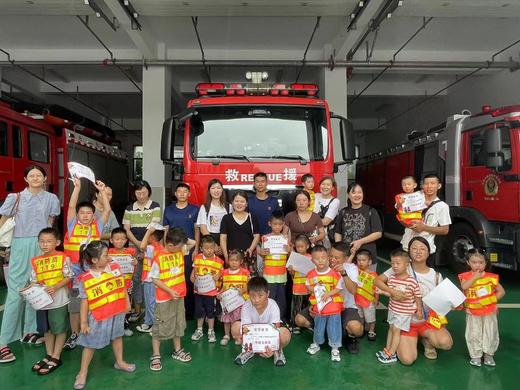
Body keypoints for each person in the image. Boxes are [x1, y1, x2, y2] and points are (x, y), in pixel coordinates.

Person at [0, 165, 60, 363]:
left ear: (45, 178)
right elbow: (4, 218)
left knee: (37, 288)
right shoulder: (15, 197)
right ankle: (4, 342)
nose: (35, 178)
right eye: (31, 175)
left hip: (43, 245)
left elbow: (50, 222)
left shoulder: (51, 199)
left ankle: (30, 330)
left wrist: (48, 245)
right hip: (21, 244)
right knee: (16, 291)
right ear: (26, 179)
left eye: (39, 175)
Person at [375, 237, 453, 365]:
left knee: (446, 343)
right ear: (409, 252)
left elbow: (444, 302)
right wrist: (393, 292)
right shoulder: (400, 267)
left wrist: (452, 305)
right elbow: (377, 280)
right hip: (405, 323)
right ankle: (413, 339)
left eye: (422, 249)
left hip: (427, 321)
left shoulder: (436, 275)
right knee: (407, 360)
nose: (418, 251)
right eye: (414, 248)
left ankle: (426, 339)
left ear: (429, 252)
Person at [73, 241, 135, 390]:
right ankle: (82, 372)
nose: (109, 257)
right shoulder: (86, 278)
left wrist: (127, 303)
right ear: (94, 260)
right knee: (90, 344)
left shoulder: (114, 268)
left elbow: (122, 287)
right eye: (105, 255)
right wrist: (83, 323)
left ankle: (119, 362)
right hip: (98, 316)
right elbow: (84, 302)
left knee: (118, 336)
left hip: (117, 311)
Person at [64, 178, 110, 350]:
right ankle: (75, 334)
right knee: (76, 304)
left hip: (92, 270)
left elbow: (107, 209)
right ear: (77, 215)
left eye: (88, 213)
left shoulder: (97, 226)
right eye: (81, 212)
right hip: (75, 270)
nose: (85, 215)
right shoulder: (71, 225)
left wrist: (103, 191)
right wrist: (77, 188)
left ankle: (93, 330)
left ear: (93, 215)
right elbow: (70, 206)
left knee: (94, 300)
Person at [148, 228, 196, 371]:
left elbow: (192, 243)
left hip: (179, 295)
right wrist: (169, 291)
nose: (182, 248)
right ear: (169, 245)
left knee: (178, 323)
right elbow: (155, 280)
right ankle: (156, 355)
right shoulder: (159, 256)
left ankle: (177, 350)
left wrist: (181, 238)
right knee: (159, 327)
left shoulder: (179, 250)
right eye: (179, 245)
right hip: (164, 298)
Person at [29, 228, 72, 375]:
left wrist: (56, 286)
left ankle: (56, 356)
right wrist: (31, 289)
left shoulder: (63, 257)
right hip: (42, 302)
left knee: (59, 328)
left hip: (58, 301)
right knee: (46, 328)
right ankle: (48, 354)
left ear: (57, 242)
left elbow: (68, 277)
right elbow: (33, 280)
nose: (45, 244)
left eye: (49, 241)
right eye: (42, 241)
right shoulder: (36, 261)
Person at [123, 180, 161, 323]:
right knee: (136, 278)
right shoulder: (129, 208)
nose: (141, 195)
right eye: (138, 192)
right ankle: (138, 310)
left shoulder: (155, 206)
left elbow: (153, 226)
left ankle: (153, 311)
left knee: (151, 278)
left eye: (144, 192)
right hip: (134, 244)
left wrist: (144, 244)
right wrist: (138, 243)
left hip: (151, 245)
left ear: (148, 192)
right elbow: (126, 229)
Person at [459, 249, 505, 367]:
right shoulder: (465, 276)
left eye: (481, 262)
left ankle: (489, 354)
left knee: (490, 332)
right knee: (474, 332)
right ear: (468, 262)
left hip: (489, 311)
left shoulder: (491, 277)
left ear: (485, 263)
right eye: (474, 262)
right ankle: (476, 356)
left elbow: (501, 292)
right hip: (472, 311)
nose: (478, 265)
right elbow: (464, 286)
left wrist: (492, 302)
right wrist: (474, 277)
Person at [232, 277, 291, 367]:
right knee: (235, 327)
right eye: (253, 296)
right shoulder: (246, 306)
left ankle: (277, 350)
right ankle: (249, 349)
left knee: (285, 334)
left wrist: (272, 347)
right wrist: (244, 340)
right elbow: (246, 329)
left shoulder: (273, 305)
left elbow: (273, 331)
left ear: (267, 294)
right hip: (253, 331)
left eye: (260, 295)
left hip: (270, 331)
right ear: (248, 294)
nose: (256, 300)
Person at [377, 249, 423, 364]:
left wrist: (419, 309)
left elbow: (417, 296)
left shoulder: (412, 281)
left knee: (396, 330)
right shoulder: (391, 278)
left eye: (398, 263)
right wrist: (384, 292)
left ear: (406, 265)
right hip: (393, 309)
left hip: (404, 312)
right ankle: (387, 350)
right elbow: (392, 294)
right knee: (391, 328)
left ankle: (392, 353)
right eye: (392, 263)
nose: (395, 266)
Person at [163, 183, 200, 318]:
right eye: (179, 191)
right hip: (172, 251)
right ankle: (174, 311)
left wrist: (196, 249)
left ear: (189, 194)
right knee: (173, 278)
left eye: (185, 191)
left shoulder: (195, 210)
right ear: (176, 194)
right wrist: (165, 249)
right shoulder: (168, 210)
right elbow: (165, 231)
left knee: (188, 279)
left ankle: (189, 312)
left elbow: (197, 231)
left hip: (188, 249)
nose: (182, 194)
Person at [400, 174, 451, 264]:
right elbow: (404, 220)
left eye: (432, 183)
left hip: (425, 250)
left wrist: (423, 228)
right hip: (407, 246)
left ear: (439, 186)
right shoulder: (412, 199)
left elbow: (445, 230)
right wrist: (405, 222)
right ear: (422, 186)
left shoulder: (442, 206)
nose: (429, 186)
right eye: (426, 183)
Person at [305, 245, 344, 362]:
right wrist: (315, 290)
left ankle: (335, 347)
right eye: (317, 258)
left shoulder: (334, 273)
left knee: (334, 327)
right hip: (319, 308)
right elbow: (307, 286)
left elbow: (339, 288)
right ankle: (316, 343)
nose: (320, 260)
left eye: (323, 257)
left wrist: (328, 294)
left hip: (333, 308)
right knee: (319, 327)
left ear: (328, 258)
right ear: (312, 260)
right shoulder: (311, 274)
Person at [334, 183, 382, 270]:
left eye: (359, 192)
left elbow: (378, 233)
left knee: (366, 283)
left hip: (367, 259)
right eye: (353, 192)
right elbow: (338, 232)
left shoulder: (371, 211)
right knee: (347, 282)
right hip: (347, 258)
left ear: (363, 194)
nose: (357, 195)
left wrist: (360, 241)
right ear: (348, 195)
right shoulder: (343, 212)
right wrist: (340, 249)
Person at [190, 235, 224, 343]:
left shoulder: (219, 261)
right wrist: (193, 278)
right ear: (201, 248)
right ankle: (199, 329)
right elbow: (192, 275)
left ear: (215, 248)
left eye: (211, 248)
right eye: (206, 248)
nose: (209, 250)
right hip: (199, 292)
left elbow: (223, 273)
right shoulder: (198, 258)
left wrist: (219, 275)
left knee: (210, 312)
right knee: (199, 311)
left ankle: (211, 330)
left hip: (211, 293)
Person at [257, 211, 289, 321]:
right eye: (275, 224)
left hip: (281, 273)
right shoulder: (265, 238)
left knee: (281, 298)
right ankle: (269, 318)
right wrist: (261, 252)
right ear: (269, 224)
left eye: (280, 224)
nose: (277, 226)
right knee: (270, 297)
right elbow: (261, 253)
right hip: (269, 273)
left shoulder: (285, 238)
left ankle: (281, 319)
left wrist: (289, 250)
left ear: (283, 224)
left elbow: (290, 254)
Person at [108, 228, 138, 337]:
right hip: (112, 285)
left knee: (126, 304)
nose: (120, 241)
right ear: (111, 240)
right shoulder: (108, 253)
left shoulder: (130, 252)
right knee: (113, 304)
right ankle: (113, 327)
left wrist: (135, 264)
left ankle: (125, 325)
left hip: (127, 283)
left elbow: (133, 271)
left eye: (122, 239)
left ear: (126, 240)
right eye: (117, 239)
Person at [220, 191, 260, 270]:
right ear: (232, 203)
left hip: (248, 256)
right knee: (232, 280)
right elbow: (223, 238)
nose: (239, 204)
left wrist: (251, 249)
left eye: (242, 201)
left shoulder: (252, 217)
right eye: (237, 201)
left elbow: (257, 236)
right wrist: (226, 255)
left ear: (246, 204)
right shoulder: (226, 218)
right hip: (232, 258)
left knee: (248, 280)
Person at [217, 250, 250, 346]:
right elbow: (224, 287)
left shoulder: (245, 272)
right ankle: (227, 335)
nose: (234, 262)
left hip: (240, 302)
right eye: (231, 260)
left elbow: (249, 285)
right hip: (228, 302)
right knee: (227, 319)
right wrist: (220, 293)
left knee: (238, 320)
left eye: (236, 260)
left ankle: (237, 336)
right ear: (228, 261)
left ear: (241, 262)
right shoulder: (225, 272)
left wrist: (243, 290)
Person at [136, 227, 164, 333]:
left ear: (151, 237)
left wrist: (148, 232)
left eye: (147, 235)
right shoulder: (157, 247)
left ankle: (156, 326)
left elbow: (142, 246)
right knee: (148, 302)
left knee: (151, 303)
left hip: (150, 280)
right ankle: (148, 322)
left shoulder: (152, 247)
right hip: (150, 279)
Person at [196, 179, 232, 255]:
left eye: (218, 188)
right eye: (213, 188)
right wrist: (214, 245)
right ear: (209, 191)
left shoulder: (229, 206)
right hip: (209, 241)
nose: (216, 191)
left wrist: (223, 246)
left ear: (222, 190)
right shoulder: (204, 207)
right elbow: (203, 228)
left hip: (226, 240)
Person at [287, 234, 311, 334]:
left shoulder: (311, 258)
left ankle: (306, 323)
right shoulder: (294, 258)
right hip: (297, 287)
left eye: (302, 246)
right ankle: (295, 325)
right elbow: (292, 274)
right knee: (296, 307)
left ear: (307, 246)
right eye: (297, 247)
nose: (299, 249)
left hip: (308, 288)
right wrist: (291, 270)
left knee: (307, 306)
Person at [354, 249, 378, 341]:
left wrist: (376, 299)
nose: (361, 262)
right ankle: (362, 328)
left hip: (369, 300)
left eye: (364, 260)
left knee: (370, 317)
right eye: (359, 260)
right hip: (358, 299)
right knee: (360, 316)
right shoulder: (356, 272)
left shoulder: (373, 275)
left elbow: (376, 288)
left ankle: (372, 330)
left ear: (370, 262)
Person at [314, 176, 340, 247]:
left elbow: (326, 221)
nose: (325, 187)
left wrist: (308, 222)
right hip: (311, 234)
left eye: (328, 185)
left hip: (326, 237)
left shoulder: (335, 201)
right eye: (323, 184)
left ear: (332, 188)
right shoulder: (315, 196)